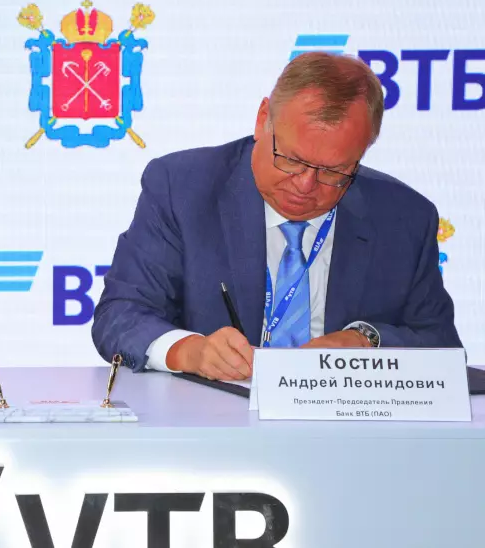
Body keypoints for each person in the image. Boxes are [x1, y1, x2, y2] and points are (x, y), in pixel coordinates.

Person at [92, 52, 461, 381]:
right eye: (292, 159)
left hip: (347, 426)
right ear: (262, 120)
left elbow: (442, 345)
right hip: (215, 423)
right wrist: (191, 351)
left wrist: (367, 341)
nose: (305, 184)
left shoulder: (404, 218)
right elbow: (121, 314)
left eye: (333, 171)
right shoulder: (182, 187)